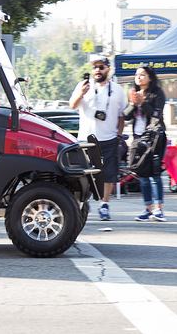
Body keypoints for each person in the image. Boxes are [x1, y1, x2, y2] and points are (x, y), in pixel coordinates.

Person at [69, 54, 126, 221]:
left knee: (108, 175)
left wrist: (119, 135)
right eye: (95, 67)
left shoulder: (117, 89)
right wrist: (81, 93)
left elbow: (122, 115)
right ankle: (80, 204)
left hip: (109, 139)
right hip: (86, 139)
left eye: (101, 67)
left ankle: (104, 205)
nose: (98, 70)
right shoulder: (83, 85)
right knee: (81, 174)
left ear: (108, 69)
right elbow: (72, 105)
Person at [125, 66, 168, 222]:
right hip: (138, 138)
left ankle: (159, 209)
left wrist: (142, 103)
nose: (139, 77)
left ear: (150, 77)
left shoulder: (157, 93)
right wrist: (133, 103)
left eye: (143, 75)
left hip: (154, 137)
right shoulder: (134, 94)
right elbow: (126, 116)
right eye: (137, 75)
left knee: (155, 174)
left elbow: (156, 115)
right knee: (142, 176)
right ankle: (148, 208)